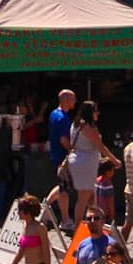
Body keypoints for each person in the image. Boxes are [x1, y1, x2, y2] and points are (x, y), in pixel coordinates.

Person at [65, 104, 118, 230]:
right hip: (86, 163)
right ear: (90, 113)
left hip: (81, 161)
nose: (98, 113)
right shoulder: (88, 127)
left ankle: (93, 224)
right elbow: (101, 147)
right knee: (83, 198)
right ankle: (78, 228)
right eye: (96, 111)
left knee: (90, 197)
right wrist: (114, 160)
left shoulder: (76, 124)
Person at [46, 92, 77, 225]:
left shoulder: (54, 114)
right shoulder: (63, 118)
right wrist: (72, 151)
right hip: (62, 157)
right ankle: (63, 218)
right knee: (63, 187)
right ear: (66, 100)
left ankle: (48, 209)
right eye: (73, 99)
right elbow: (64, 139)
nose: (75, 102)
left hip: (56, 155)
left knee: (63, 187)